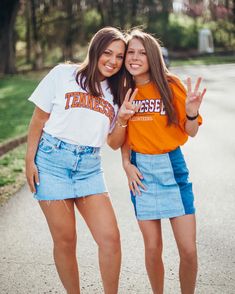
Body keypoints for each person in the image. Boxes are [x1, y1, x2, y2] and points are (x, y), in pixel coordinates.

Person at [25, 27, 139, 294]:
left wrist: (122, 119)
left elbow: (112, 142)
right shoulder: (63, 75)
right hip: (51, 164)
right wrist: (29, 161)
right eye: (107, 53)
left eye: (119, 57)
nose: (113, 61)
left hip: (89, 168)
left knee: (110, 239)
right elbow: (38, 120)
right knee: (65, 240)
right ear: (95, 50)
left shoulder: (117, 90)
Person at [121, 29, 206, 294]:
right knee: (152, 248)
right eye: (130, 52)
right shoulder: (124, 89)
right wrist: (126, 164)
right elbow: (122, 135)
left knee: (188, 250)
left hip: (172, 167)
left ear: (153, 57)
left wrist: (191, 113)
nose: (135, 58)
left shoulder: (171, 86)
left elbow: (191, 132)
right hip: (141, 172)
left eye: (142, 53)